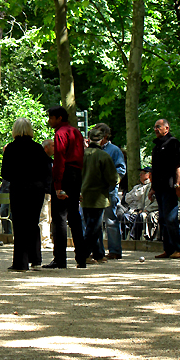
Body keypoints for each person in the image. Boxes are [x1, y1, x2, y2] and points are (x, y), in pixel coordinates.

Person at [1, 118, 52, 271]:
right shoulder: (38, 148)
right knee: (33, 223)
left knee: (19, 224)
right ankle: (36, 259)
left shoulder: (11, 148)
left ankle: (21, 262)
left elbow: (5, 173)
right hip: (36, 189)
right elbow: (47, 169)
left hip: (19, 188)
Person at [43, 106, 86, 269]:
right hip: (76, 174)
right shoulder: (76, 132)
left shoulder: (60, 133)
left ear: (59, 118)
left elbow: (59, 158)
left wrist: (58, 185)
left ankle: (60, 258)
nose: (50, 121)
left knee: (59, 217)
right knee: (75, 216)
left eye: (51, 118)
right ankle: (81, 257)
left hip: (66, 174)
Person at [81, 127, 120, 263]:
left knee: (91, 226)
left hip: (84, 196)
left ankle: (98, 254)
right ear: (102, 139)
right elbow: (113, 178)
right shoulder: (104, 156)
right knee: (94, 227)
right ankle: (83, 255)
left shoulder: (82, 155)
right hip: (99, 197)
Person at [149, 118, 180, 259]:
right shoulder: (156, 146)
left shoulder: (174, 143)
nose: (156, 129)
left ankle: (179, 248)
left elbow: (179, 165)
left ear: (167, 128)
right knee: (163, 219)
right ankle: (169, 249)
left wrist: (177, 185)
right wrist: (153, 188)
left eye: (158, 126)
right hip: (159, 188)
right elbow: (155, 170)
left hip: (170, 187)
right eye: (154, 127)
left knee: (171, 219)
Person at [94, 123, 126, 259]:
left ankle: (115, 251)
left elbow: (121, 170)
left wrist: (110, 181)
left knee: (111, 220)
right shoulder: (93, 150)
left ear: (106, 135)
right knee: (95, 222)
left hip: (109, 191)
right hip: (94, 192)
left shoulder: (114, 150)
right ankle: (98, 251)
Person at [121, 167, 158, 240]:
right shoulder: (140, 187)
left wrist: (146, 210)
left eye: (143, 173)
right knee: (125, 216)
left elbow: (157, 203)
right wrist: (140, 209)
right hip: (138, 209)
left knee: (141, 216)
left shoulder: (153, 186)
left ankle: (135, 238)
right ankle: (123, 238)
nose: (140, 175)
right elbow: (127, 198)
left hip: (152, 211)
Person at [39, 139, 54, 249]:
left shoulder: (51, 161)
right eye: (53, 146)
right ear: (46, 148)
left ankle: (46, 239)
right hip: (44, 192)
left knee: (48, 218)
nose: (55, 148)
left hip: (50, 192)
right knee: (44, 217)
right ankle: (44, 240)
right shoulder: (42, 161)